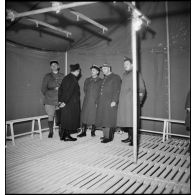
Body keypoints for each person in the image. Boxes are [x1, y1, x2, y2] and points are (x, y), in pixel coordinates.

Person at [117, 57, 146, 146]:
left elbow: (142, 89)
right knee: (128, 121)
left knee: (133, 121)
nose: (125, 66)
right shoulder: (124, 74)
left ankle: (135, 140)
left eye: (127, 64)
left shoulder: (136, 74)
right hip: (125, 103)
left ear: (132, 65)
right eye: (124, 65)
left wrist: (138, 101)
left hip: (132, 103)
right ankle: (130, 137)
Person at [95, 63, 121, 143]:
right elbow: (100, 91)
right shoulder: (105, 78)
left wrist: (114, 101)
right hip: (102, 102)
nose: (103, 70)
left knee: (109, 119)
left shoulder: (115, 77)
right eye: (102, 69)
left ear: (109, 68)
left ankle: (109, 137)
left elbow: (117, 90)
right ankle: (105, 135)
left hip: (110, 102)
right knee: (104, 118)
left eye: (104, 69)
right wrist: (97, 101)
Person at [58, 63, 81, 141]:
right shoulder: (73, 79)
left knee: (65, 119)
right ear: (77, 71)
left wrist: (60, 101)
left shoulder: (66, 77)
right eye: (79, 71)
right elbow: (69, 92)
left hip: (66, 102)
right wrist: (64, 102)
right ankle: (67, 136)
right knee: (69, 119)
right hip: (70, 103)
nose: (79, 73)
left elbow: (60, 90)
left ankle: (63, 135)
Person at [41, 60, 64, 138]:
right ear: (50, 67)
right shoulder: (47, 76)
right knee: (50, 116)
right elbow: (43, 89)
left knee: (60, 116)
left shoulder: (62, 76)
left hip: (59, 99)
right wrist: (49, 94)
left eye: (55, 65)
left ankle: (60, 131)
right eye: (52, 65)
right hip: (49, 99)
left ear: (58, 66)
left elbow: (66, 88)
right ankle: (51, 132)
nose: (53, 66)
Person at [77, 64, 102, 137]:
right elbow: (85, 89)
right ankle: (83, 132)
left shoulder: (100, 81)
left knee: (94, 116)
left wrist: (97, 100)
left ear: (97, 72)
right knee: (85, 116)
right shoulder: (87, 80)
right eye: (91, 70)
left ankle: (93, 132)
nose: (92, 72)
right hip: (87, 101)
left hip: (95, 102)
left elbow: (101, 92)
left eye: (94, 70)